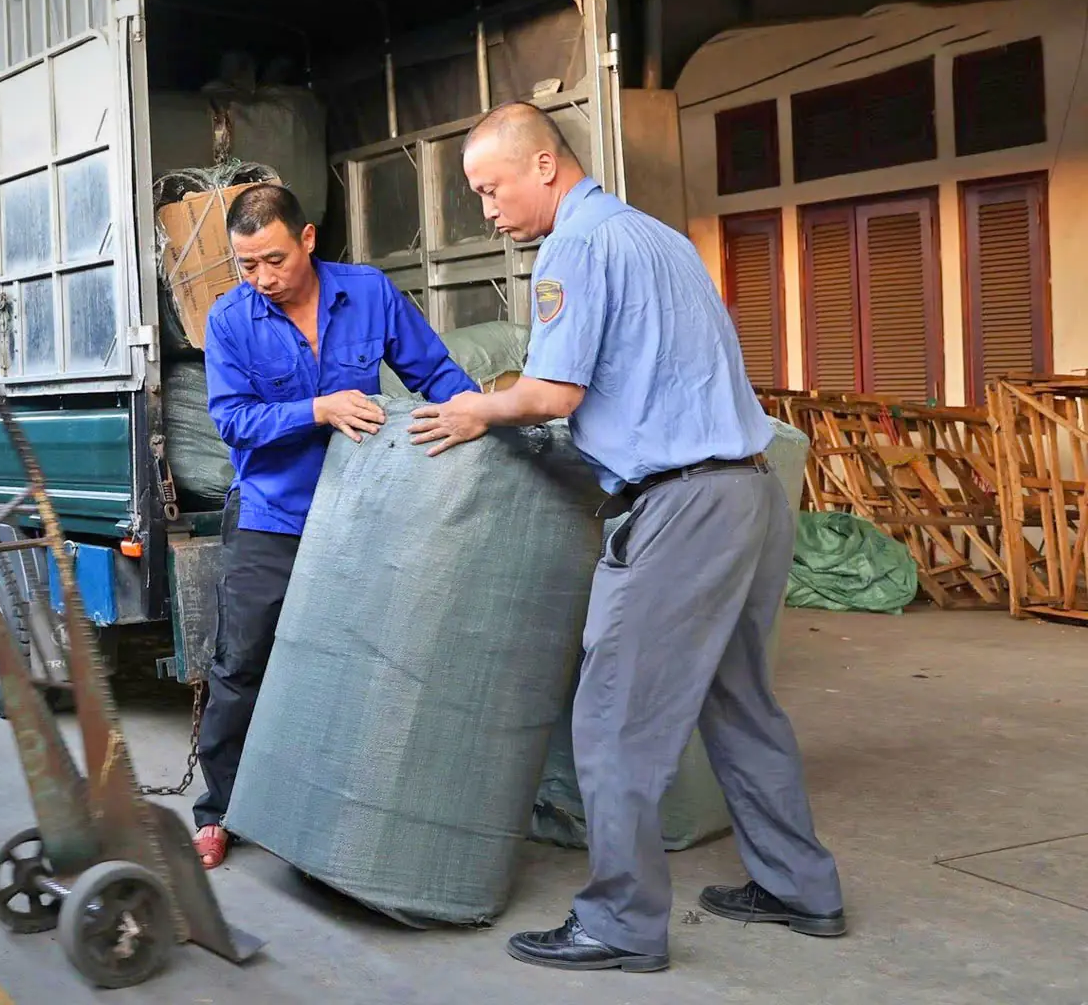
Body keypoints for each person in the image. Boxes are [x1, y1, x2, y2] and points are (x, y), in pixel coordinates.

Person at [408, 103, 844, 972]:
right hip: (749, 493)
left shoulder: (575, 246)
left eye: (491, 191)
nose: (488, 213)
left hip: (680, 507)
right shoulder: (659, 239)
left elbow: (552, 393)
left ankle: (621, 923)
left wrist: (473, 410)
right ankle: (802, 888)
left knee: (610, 718)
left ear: (542, 166)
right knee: (740, 700)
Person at [193, 184, 479, 869]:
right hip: (272, 515)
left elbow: (433, 371)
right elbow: (232, 420)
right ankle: (220, 811)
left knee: (356, 660)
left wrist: (483, 418)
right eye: (246, 266)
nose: (261, 278)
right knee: (242, 663)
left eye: (273, 259)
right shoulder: (231, 321)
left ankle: (332, 804)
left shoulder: (369, 293)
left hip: (361, 515)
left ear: (309, 238)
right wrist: (316, 410)